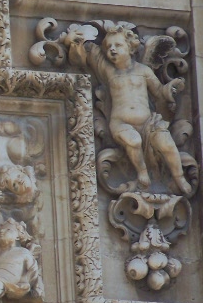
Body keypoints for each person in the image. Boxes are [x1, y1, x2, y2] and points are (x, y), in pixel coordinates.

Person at [66, 25, 192, 194]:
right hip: (121, 123)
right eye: (109, 47)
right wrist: (73, 40)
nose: (112, 49)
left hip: (148, 123)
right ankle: (142, 172)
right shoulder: (109, 71)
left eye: (117, 45)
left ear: (130, 47)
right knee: (133, 141)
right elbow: (88, 52)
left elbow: (158, 93)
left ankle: (179, 178)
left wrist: (171, 88)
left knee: (167, 144)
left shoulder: (144, 70)